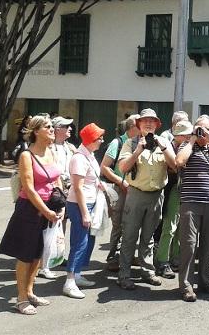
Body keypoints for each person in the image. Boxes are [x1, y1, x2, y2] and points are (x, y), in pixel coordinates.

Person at [0, 115, 64, 315]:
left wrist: (60, 206)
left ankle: (30, 291)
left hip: (49, 209)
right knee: (25, 255)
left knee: (37, 254)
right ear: (36, 131)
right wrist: (46, 211)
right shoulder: (27, 155)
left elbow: (57, 180)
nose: (52, 129)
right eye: (47, 126)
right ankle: (21, 298)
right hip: (29, 210)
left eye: (52, 126)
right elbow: (29, 187)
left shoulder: (51, 151)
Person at [116, 109, 176, 290]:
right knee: (129, 236)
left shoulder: (164, 142)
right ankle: (124, 274)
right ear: (139, 125)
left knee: (149, 236)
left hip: (157, 195)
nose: (149, 124)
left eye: (152, 121)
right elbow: (123, 167)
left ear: (157, 125)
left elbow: (174, 165)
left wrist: (163, 147)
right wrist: (138, 150)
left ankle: (147, 270)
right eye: (145, 121)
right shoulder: (130, 143)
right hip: (136, 194)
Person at [176, 115, 209, 302]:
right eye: (199, 129)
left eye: (206, 129)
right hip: (190, 203)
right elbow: (179, 161)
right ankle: (186, 285)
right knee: (189, 245)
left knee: (207, 245)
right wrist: (191, 140)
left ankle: (205, 281)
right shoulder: (186, 146)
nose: (202, 133)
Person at [62, 123, 105, 299]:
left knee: (88, 241)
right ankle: (70, 281)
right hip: (80, 204)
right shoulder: (79, 158)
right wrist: (85, 213)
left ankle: (77, 275)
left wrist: (98, 184)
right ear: (90, 139)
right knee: (79, 242)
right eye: (99, 137)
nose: (102, 140)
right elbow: (77, 188)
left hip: (89, 203)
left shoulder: (89, 155)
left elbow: (88, 180)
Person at [38, 116, 76, 279]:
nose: (70, 129)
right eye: (66, 126)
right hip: (52, 191)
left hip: (65, 190)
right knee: (47, 227)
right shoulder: (48, 148)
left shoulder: (70, 147)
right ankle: (42, 264)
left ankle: (56, 255)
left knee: (62, 224)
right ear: (58, 128)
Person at [101, 114, 140, 272]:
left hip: (135, 190)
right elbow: (104, 167)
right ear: (132, 128)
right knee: (119, 224)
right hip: (120, 189)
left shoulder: (139, 143)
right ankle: (113, 257)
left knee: (131, 225)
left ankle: (127, 256)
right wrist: (120, 181)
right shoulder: (117, 143)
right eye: (139, 126)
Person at [156, 120, 193, 279]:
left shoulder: (186, 147)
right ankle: (162, 260)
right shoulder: (167, 147)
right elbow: (175, 166)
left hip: (182, 190)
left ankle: (175, 257)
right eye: (187, 134)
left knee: (180, 227)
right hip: (171, 190)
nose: (189, 137)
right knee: (170, 226)